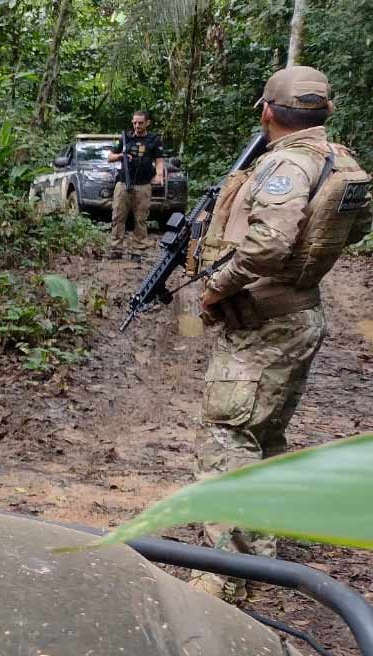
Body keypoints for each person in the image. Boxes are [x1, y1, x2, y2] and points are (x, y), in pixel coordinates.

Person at [189, 66, 371, 602]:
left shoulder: (286, 164)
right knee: (263, 437)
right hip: (299, 314)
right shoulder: (340, 162)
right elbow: (353, 231)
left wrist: (214, 288)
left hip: (263, 320)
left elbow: (268, 245)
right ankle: (260, 557)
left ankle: (221, 573)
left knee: (227, 438)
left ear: (268, 112)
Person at [108, 111, 165, 249]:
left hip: (143, 184)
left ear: (147, 123)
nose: (137, 125)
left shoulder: (154, 140)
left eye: (140, 123)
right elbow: (110, 157)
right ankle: (116, 247)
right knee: (118, 216)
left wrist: (159, 175)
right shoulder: (125, 138)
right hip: (123, 183)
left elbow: (159, 160)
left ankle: (139, 247)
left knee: (141, 219)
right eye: (134, 123)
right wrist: (122, 156)